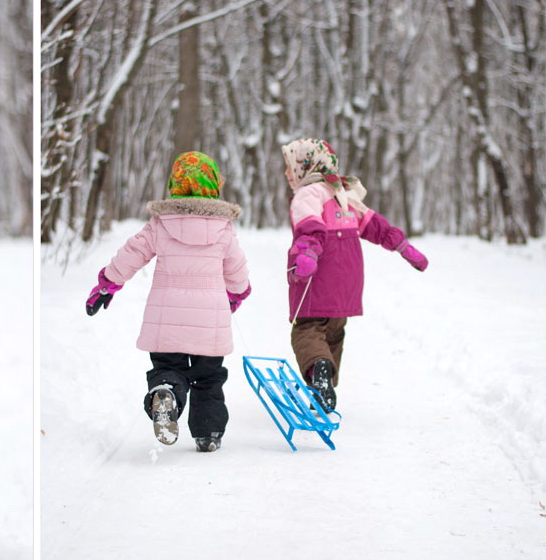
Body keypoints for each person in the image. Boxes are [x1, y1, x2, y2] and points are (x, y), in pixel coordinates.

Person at [85, 151, 251, 452]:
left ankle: (168, 392)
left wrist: (108, 283)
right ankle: (209, 432)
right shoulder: (223, 228)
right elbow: (237, 271)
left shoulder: (161, 224)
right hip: (208, 324)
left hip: (167, 323)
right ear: (213, 186)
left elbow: (131, 253)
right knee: (208, 378)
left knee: (167, 367)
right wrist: (237, 294)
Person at [282, 137, 429, 410]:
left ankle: (318, 371)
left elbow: (311, 228)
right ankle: (322, 391)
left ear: (307, 166)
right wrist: (404, 247)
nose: (287, 173)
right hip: (348, 281)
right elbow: (377, 226)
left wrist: (308, 254)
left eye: (290, 167)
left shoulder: (308, 194)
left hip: (318, 276)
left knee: (307, 330)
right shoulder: (343, 194)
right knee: (333, 333)